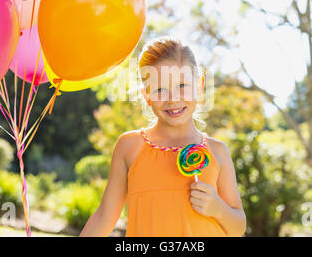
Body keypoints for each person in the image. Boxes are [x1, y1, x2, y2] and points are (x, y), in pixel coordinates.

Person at [80, 37, 246, 237]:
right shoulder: (130, 147)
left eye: (182, 85)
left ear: (199, 86)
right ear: (146, 95)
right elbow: (104, 218)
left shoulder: (217, 152)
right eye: (159, 89)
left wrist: (218, 209)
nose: (173, 98)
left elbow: (238, 228)